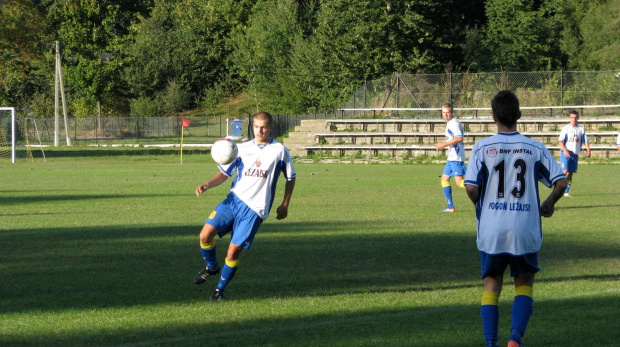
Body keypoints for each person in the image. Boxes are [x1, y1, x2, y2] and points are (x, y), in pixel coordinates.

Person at [464, 90, 567, 347]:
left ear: (493, 116)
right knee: (524, 284)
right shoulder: (535, 147)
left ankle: (491, 342)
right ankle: (515, 338)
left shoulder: (482, 147)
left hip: (492, 229)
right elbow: (561, 182)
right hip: (524, 228)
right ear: (519, 116)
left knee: (491, 283)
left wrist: (481, 204)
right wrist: (549, 203)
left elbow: (470, 187)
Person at [193, 111, 296, 301]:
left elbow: (291, 177)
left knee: (233, 252)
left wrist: (285, 204)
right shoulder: (240, 148)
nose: (260, 130)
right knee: (204, 235)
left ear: (271, 128)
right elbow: (225, 173)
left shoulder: (280, 150)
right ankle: (212, 267)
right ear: (253, 127)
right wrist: (207, 184)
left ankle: (219, 290)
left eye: (264, 127)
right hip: (233, 200)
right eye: (256, 127)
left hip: (255, 210)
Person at [435, 102, 466, 212]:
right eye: (444, 113)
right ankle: (450, 206)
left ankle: (480, 186)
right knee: (444, 179)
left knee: (459, 183)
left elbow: (459, 138)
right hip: (451, 157)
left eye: (448, 113)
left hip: (456, 157)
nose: (446, 115)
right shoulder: (450, 123)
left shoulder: (454, 123)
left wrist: (443, 144)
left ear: (452, 112)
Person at [558, 110, 591, 197]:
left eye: (575, 117)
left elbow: (586, 140)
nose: (574, 119)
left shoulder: (581, 129)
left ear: (578, 118)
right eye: (572, 117)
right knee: (564, 171)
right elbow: (560, 141)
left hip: (575, 153)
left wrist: (588, 149)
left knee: (571, 172)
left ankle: (566, 191)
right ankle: (557, 189)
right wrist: (565, 151)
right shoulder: (566, 128)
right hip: (566, 152)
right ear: (569, 118)